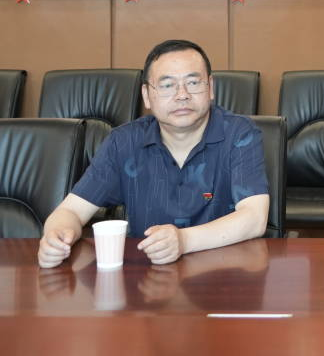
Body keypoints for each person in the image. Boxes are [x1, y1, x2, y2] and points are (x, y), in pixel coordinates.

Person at [37, 40, 269, 268]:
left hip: (223, 275)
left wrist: (183, 240)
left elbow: (255, 218)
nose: (182, 95)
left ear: (210, 88)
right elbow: (70, 211)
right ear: (147, 95)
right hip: (146, 276)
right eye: (167, 85)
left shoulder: (239, 134)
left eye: (193, 82)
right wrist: (56, 237)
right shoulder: (124, 142)